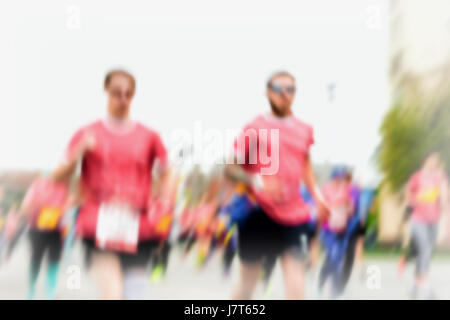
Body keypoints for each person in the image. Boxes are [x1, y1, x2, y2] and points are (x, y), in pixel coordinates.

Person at [51, 69, 173, 300]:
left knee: (135, 295)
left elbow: (167, 172)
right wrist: (79, 152)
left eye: (128, 94)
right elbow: (58, 175)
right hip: (99, 223)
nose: (123, 99)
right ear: (106, 91)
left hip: (137, 225)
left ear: (134, 95)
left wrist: (164, 201)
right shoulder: (88, 132)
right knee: (113, 294)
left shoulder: (149, 136)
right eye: (117, 93)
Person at [225, 71, 329, 300]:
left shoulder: (304, 129)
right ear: (267, 91)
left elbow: (305, 165)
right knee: (247, 285)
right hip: (259, 212)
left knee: (296, 283)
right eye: (278, 87)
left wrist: (318, 196)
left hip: (295, 215)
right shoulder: (254, 127)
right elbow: (230, 168)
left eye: (290, 89)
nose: (284, 93)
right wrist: (258, 181)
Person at [19, 175, 70, 300]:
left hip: (57, 230)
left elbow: (69, 208)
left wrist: (65, 208)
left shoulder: (65, 186)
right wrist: (38, 203)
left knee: (54, 260)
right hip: (37, 228)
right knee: (36, 259)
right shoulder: (37, 186)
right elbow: (24, 208)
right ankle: (31, 289)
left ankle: (50, 292)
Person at [405, 153, 448, 299]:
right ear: (425, 161)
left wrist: (442, 183)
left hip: (434, 220)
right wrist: (410, 206)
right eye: (431, 159)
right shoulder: (417, 177)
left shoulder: (439, 177)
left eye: (436, 160)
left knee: (427, 253)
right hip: (418, 219)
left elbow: (444, 197)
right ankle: (426, 285)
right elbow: (409, 193)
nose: (434, 162)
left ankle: (416, 283)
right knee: (425, 249)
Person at [318, 167, 354, 299]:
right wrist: (331, 209)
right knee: (333, 259)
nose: (341, 180)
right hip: (328, 230)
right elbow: (320, 206)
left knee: (337, 261)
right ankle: (332, 291)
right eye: (339, 177)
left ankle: (328, 288)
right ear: (334, 177)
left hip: (341, 230)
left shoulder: (345, 189)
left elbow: (350, 206)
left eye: (342, 178)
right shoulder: (325, 188)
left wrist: (347, 210)